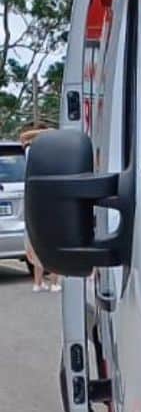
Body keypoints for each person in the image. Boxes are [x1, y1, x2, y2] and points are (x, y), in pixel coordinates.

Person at [19, 125, 59, 293]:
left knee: (39, 240)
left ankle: (40, 282)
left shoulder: (33, 150)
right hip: (48, 198)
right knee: (52, 240)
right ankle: (50, 282)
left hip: (36, 198)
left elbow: (24, 137)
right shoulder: (50, 151)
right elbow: (23, 136)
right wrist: (47, 132)